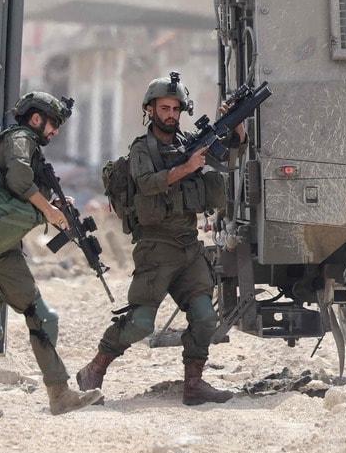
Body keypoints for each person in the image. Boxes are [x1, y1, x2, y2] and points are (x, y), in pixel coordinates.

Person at [77, 72, 244, 406]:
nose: (170, 114)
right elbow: (147, 183)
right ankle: (94, 369)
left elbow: (228, 156)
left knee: (205, 317)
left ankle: (193, 386)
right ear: (150, 110)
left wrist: (235, 127)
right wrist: (185, 169)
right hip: (155, 248)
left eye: (175, 109)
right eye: (164, 108)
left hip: (187, 246)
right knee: (140, 323)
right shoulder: (142, 150)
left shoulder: (189, 144)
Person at [0, 91, 103, 421]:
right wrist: (49, 210)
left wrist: (54, 207)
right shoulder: (21, 139)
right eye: (53, 125)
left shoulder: (15, 141)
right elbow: (19, 178)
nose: (55, 132)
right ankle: (59, 394)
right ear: (36, 119)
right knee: (39, 315)